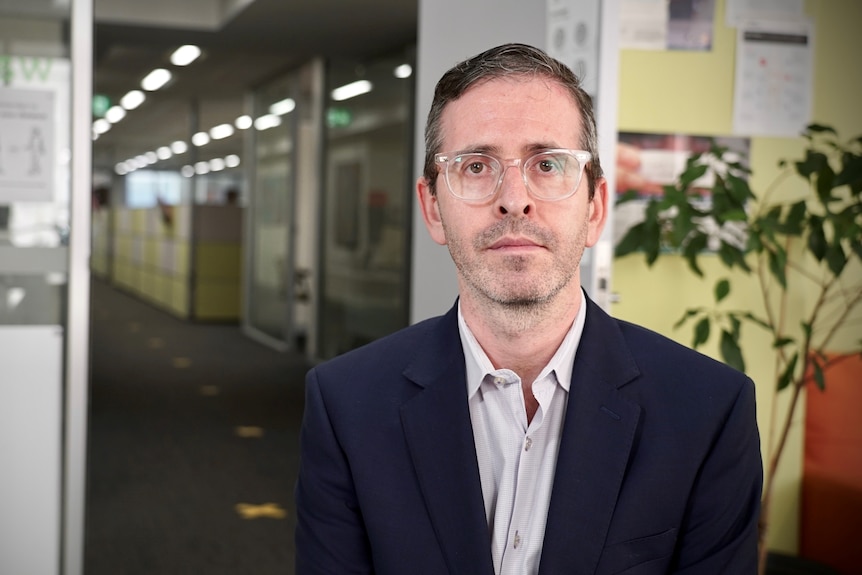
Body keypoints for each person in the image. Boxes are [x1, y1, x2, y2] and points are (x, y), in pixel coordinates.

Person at [294, 43, 762, 574]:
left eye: (547, 163)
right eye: (476, 165)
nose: (514, 198)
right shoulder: (346, 405)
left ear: (595, 208)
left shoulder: (708, 412)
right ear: (433, 209)